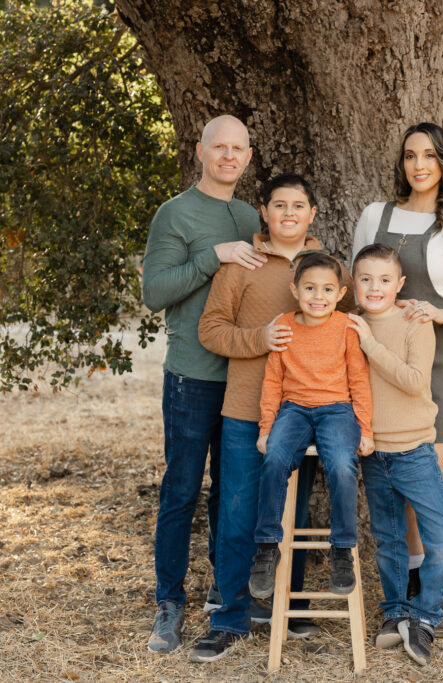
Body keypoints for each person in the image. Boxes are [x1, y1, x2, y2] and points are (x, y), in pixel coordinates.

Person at [191, 174, 353, 662]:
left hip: (307, 412)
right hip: (247, 406)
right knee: (239, 509)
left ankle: (290, 605)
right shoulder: (243, 263)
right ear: (263, 211)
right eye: (278, 205)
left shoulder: (323, 268)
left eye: (298, 205)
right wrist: (258, 340)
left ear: (311, 214)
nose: (288, 213)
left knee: (296, 511)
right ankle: (230, 617)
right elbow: (210, 330)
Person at [352, 121, 443, 633]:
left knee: (421, 485)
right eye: (410, 155)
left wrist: (439, 312)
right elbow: (355, 282)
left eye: (429, 155)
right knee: (394, 489)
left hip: (442, 364)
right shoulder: (375, 216)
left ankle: (430, 590)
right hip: (379, 366)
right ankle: (410, 589)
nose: (419, 165)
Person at [142, 115, 268, 654]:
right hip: (192, 375)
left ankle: (224, 591)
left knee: (232, 494)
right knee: (182, 490)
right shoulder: (174, 214)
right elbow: (155, 292)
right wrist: (210, 258)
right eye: (219, 147)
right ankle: (168, 602)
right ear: (200, 151)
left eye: (237, 148)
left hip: (244, 379)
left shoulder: (249, 216)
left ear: (247, 156)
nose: (228, 156)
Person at [347, 243, 443, 666]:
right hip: (373, 451)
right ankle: (395, 611)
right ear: (354, 284)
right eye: (365, 279)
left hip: (413, 449)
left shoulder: (414, 320)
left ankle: (426, 615)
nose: (375, 287)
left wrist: (369, 343)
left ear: (400, 284)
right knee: (388, 538)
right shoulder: (348, 324)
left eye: (384, 279)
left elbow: (414, 381)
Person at [248, 252, 374, 603]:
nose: (318, 297)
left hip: (337, 410)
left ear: (340, 293)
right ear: (295, 289)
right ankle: (267, 546)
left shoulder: (346, 327)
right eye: (310, 288)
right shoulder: (285, 325)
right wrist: (266, 427)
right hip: (294, 409)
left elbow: (359, 380)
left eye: (327, 290)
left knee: (341, 466)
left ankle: (342, 551)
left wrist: (365, 428)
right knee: (274, 459)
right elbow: (273, 380)